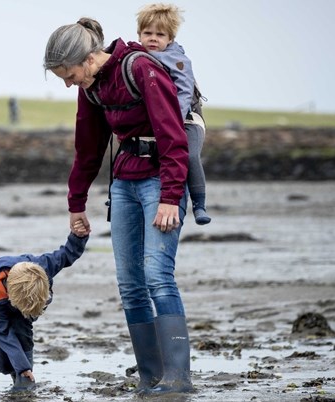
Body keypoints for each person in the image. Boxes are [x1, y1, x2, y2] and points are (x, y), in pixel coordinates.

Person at [43, 17, 193, 396]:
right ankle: (150, 376)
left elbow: (173, 135)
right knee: (130, 286)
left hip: (162, 181)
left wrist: (171, 196)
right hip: (124, 184)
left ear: (89, 58)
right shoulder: (91, 89)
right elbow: (88, 149)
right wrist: (76, 203)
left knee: (158, 275)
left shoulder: (140, 68)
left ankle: (178, 378)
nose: (67, 83)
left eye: (69, 74)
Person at [0, 223, 88, 392]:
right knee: (8, 337)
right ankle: (15, 370)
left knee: (23, 329)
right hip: (7, 303)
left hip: (37, 297)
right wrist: (21, 365)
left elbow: (67, 254)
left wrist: (78, 236)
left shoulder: (44, 265)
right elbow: (0, 331)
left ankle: (23, 379)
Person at [137, 3, 211, 225]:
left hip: (187, 119)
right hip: (161, 121)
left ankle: (199, 203)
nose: (153, 39)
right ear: (139, 34)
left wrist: (172, 123)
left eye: (160, 35)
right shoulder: (136, 57)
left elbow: (184, 92)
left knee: (187, 155)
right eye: (147, 33)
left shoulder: (177, 60)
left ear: (170, 38)